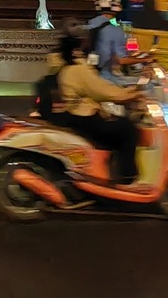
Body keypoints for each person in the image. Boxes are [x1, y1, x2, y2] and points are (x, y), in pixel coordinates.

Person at [47, 31, 143, 184]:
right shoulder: (79, 70)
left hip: (76, 115)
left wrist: (128, 92)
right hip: (85, 117)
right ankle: (126, 176)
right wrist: (129, 94)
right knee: (128, 130)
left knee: (118, 123)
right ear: (76, 50)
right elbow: (101, 90)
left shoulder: (66, 68)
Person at [87, 0, 134, 83]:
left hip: (87, 76)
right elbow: (122, 60)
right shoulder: (115, 30)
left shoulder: (89, 24)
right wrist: (146, 59)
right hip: (105, 78)